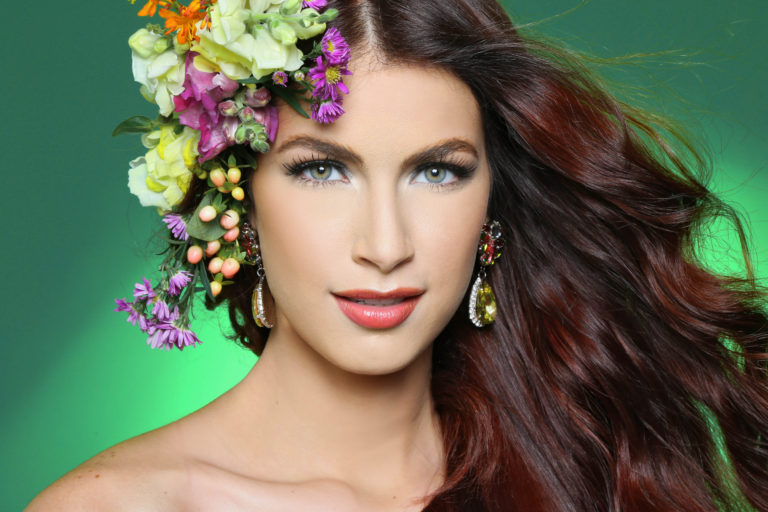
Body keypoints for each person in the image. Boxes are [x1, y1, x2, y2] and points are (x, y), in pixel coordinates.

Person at [27, 0, 768, 510]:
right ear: (241, 199)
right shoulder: (118, 504)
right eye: (321, 169)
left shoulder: (588, 476)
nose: (385, 247)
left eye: (437, 172)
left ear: (491, 207)